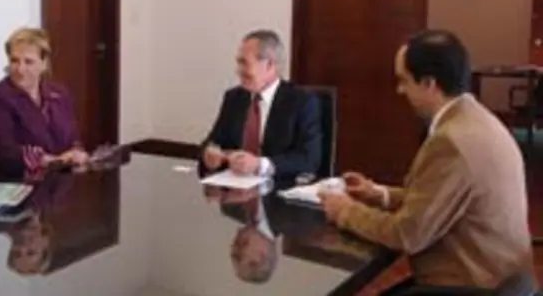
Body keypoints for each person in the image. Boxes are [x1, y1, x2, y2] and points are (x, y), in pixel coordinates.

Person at [319, 30, 533, 291]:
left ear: (429, 84)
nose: (399, 90)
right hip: (498, 278)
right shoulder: (476, 119)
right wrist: (379, 194)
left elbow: (406, 234)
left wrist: (344, 211)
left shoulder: (452, 143)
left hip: (469, 285)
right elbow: (440, 198)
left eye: (404, 80)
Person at [199, 29, 321, 180]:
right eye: (238, 63)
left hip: (279, 187)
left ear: (269, 65)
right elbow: (213, 141)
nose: (238, 70)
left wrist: (260, 164)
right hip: (234, 184)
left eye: (244, 63)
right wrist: (209, 154)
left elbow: (309, 159)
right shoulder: (234, 98)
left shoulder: (301, 101)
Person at [0, 28, 88, 181]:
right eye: (14, 61)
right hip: (16, 184)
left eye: (28, 62)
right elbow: (1, 150)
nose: (20, 69)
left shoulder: (59, 94)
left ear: (44, 63)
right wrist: (52, 161)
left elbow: (72, 138)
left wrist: (77, 153)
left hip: (59, 184)